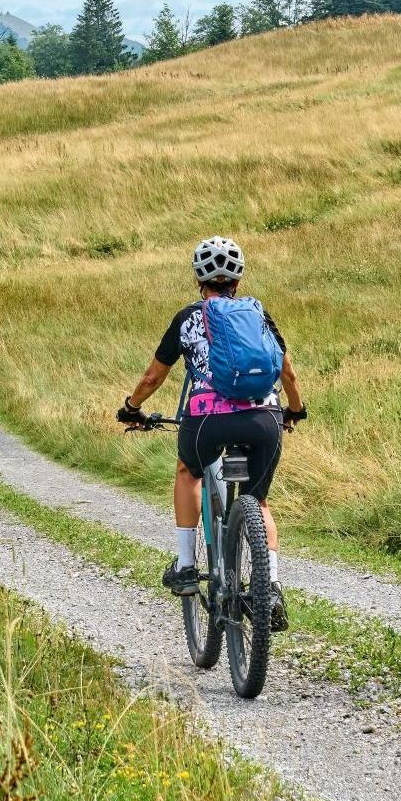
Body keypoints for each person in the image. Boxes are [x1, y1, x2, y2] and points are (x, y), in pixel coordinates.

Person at [117, 236, 306, 631]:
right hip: (264, 418)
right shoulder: (258, 314)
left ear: (198, 279)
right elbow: (286, 371)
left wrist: (132, 408)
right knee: (261, 502)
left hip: (207, 419)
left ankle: (186, 565)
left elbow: (154, 376)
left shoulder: (189, 317)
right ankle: (269, 586)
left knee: (190, 470)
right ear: (237, 280)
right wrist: (295, 409)